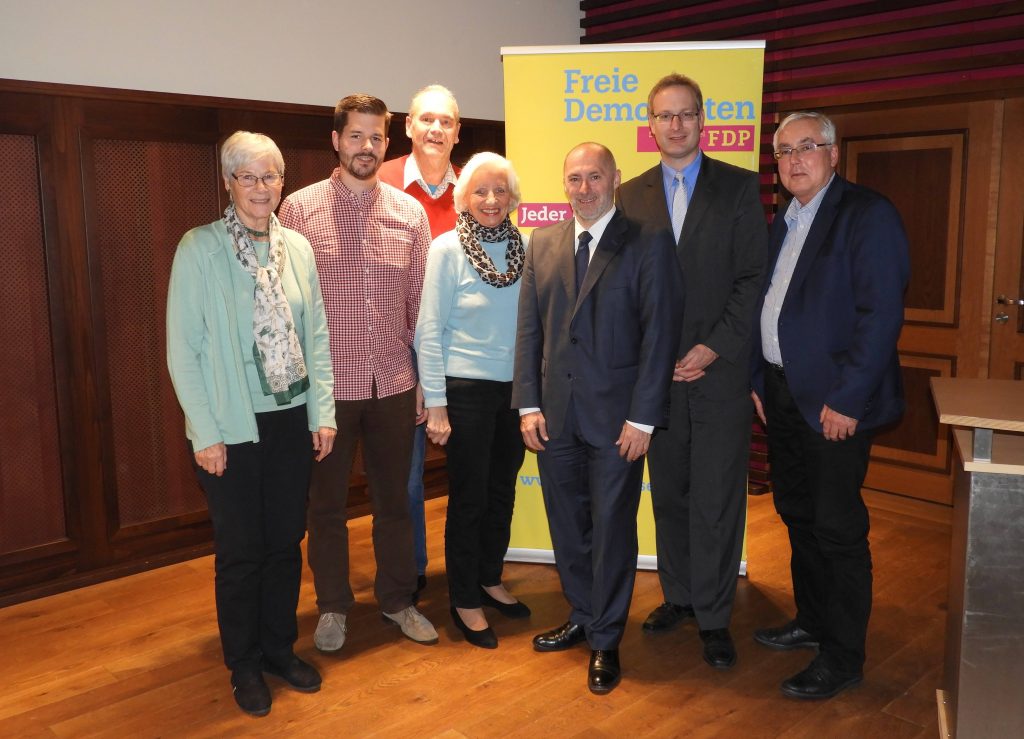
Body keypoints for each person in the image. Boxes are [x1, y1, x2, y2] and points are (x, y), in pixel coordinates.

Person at [166, 131, 336, 717]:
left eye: (270, 177)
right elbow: (182, 351)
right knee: (242, 551)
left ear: (282, 183)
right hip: (231, 429)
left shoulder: (299, 249)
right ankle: (242, 663)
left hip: (292, 420)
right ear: (229, 182)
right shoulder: (200, 248)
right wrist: (205, 433)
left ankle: (277, 649)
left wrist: (324, 413)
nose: (261, 188)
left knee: (286, 542)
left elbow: (315, 336)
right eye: (248, 177)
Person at [513, 142, 682, 694]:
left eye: (594, 177)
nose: (583, 188)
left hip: (619, 424)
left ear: (615, 179)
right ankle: (583, 614)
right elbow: (530, 332)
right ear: (564, 184)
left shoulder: (648, 243)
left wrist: (643, 418)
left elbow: (660, 338)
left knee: (612, 530)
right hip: (556, 418)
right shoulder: (542, 242)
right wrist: (530, 404)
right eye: (574, 178)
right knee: (568, 527)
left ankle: (607, 639)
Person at [750, 111, 909, 699]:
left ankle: (842, 655)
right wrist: (758, 381)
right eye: (784, 150)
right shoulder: (784, 220)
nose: (795, 159)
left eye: (808, 147)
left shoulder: (867, 215)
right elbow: (769, 306)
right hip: (782, 393)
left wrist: (848, 399)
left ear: (834, 154)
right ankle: (812, 620)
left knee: (838, 527)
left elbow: (880, 315)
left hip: (836, 402)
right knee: (796, 512)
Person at [617, 73, 768, 670]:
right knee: (671, 495)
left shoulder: (737, 188)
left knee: (717, 496)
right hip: (657, 383)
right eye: (664, 115)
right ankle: (679, 596)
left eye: (686, 115)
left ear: (703, 120)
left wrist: (712, 348)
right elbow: (626, 290)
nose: (675, 125)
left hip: (718, 374)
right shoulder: (630, 196)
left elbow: (751, 278)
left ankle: (713, 613)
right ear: (650, 124)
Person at [278, 94, 438, 652]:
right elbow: (284, 307)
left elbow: (420, 305)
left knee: (396, 501)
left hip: (394, 384)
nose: (365, 147)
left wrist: (424, 379)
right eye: (355, 136)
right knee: (325, 508)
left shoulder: (408, 213)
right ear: (336, 139)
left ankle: (397, 600)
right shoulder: (297, 210)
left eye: (375, 138)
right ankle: (332, 608)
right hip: (328, 393)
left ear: (386, 143)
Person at [414, 152, 529, 649]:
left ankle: (489, 577)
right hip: (464, 391)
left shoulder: (527, 247)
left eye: (500, 190)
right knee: (470, 497)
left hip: (516, 392)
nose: (490, 199)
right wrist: (435, 404)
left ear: (512, 198)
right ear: (464, 198)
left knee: (503, 491)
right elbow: (429, 329)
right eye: (480, 191)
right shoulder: (446, 249)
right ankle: (463, 596)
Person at [379, 84, 462, 598]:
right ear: (408, 125)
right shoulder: (380, 180)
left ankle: (472, 570)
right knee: (406, 480)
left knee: (471, 471)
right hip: (401, 354)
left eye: (446, 121)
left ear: (457, 131)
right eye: (425, 119)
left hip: (467, 352)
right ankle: (410, 573)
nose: (435, 129)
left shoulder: (478, 187)